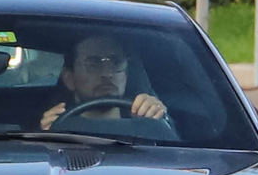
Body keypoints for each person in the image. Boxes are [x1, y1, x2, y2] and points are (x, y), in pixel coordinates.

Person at [39, 34, 168, 129]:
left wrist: (160, 119)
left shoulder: (146, 123)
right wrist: (46, 138)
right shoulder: (56, 127)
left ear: (126, 74)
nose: (107, 74)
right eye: (93, 64)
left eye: (116, 62)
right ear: (69, 79)